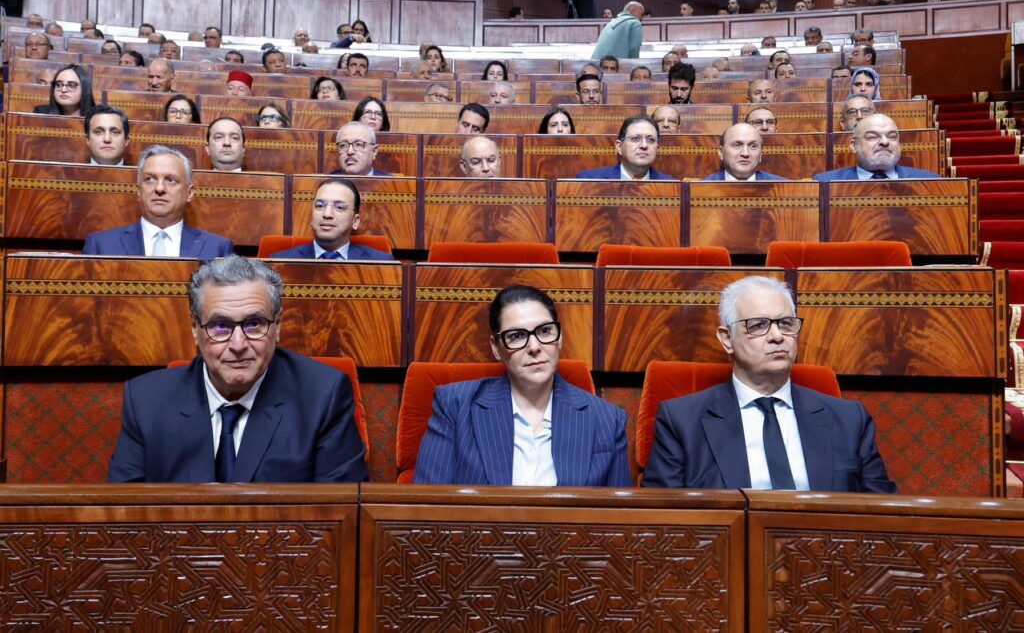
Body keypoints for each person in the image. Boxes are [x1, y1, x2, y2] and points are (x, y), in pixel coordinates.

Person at [107, 254, 368, 483]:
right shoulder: (146, 401)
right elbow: (123, 512)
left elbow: (341, 513)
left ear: (277, 326)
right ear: (195, 329)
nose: (238, 344)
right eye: (220, 326)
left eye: (254, 324)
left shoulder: (323, 396)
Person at [642, 275, 897, 493]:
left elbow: (884, 513)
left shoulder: (850, 420)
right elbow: (660, 518)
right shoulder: (682, 422)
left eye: (785, 324)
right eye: (758, 325)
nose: (777, 336)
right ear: (727, 339)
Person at [414, 285, 630, 487]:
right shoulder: (455, 406)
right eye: (517, 336)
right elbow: (427, 504)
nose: (534, 347)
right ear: (496, 348)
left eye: (544, 331)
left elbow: (621, 512)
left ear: (560, 337)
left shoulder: (607, 420)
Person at [83, 145, 233, 259]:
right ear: (139, 191)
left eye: (171, 180)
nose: (159, 188)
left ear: (189, 193)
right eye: (149, 179)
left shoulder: (218, 249)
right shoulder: (101, 246)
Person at [271, 178, 393, 261]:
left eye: (339, 207)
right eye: (320, 206)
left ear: (355, 221)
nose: (327, 214)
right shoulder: (279, 262)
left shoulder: (381, 262)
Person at [814, 113, 939, 181]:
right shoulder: (824, 183)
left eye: (892, 136)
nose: (884, 142)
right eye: (872, 137)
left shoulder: (930, 181)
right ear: (854, 145)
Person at [576, 116, 673, 181]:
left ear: (657, 148)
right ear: (619, 147)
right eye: (635, 139)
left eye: (651, 140)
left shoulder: (672, 186)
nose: (644, 145)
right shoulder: (589, 180)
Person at [701, 123, 787, 181]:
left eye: (753, 146)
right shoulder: (698, 190)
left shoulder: (786, 188)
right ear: (721, 152)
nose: (745, 153)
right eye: (737, 145)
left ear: (761, 154)